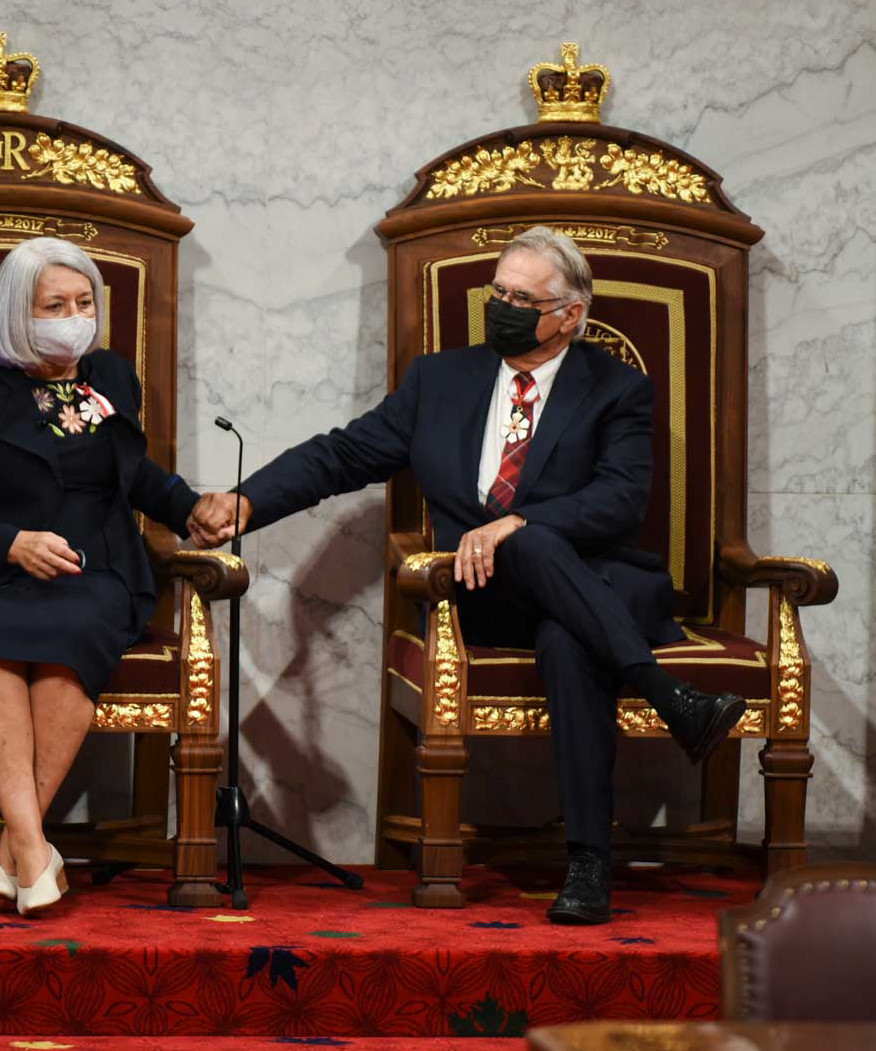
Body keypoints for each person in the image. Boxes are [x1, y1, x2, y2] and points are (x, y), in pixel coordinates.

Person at [189, 226, 745, 926]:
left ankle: (586, 864)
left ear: (569, 314)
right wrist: (247, 502)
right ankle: (669, 697)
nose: (502, 307)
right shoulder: (440, 380)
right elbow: (341, 455)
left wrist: (517, 522)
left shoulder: (615, 388)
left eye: (522, 297)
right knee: (533, 557)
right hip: (484, 595)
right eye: (498, 292)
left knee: (565, 632)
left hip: (594, 582)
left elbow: (620, 498)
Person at [0, 237, 210, 916]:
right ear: (18, 311)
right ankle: (34, 849)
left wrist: (194, 510)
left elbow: (133, 474)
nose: (73, 317)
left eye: (83, 303)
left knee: (72, 630)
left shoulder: (111, 377)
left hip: (91, 570)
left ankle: (19, 847)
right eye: (54, 305)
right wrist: (9, 543)